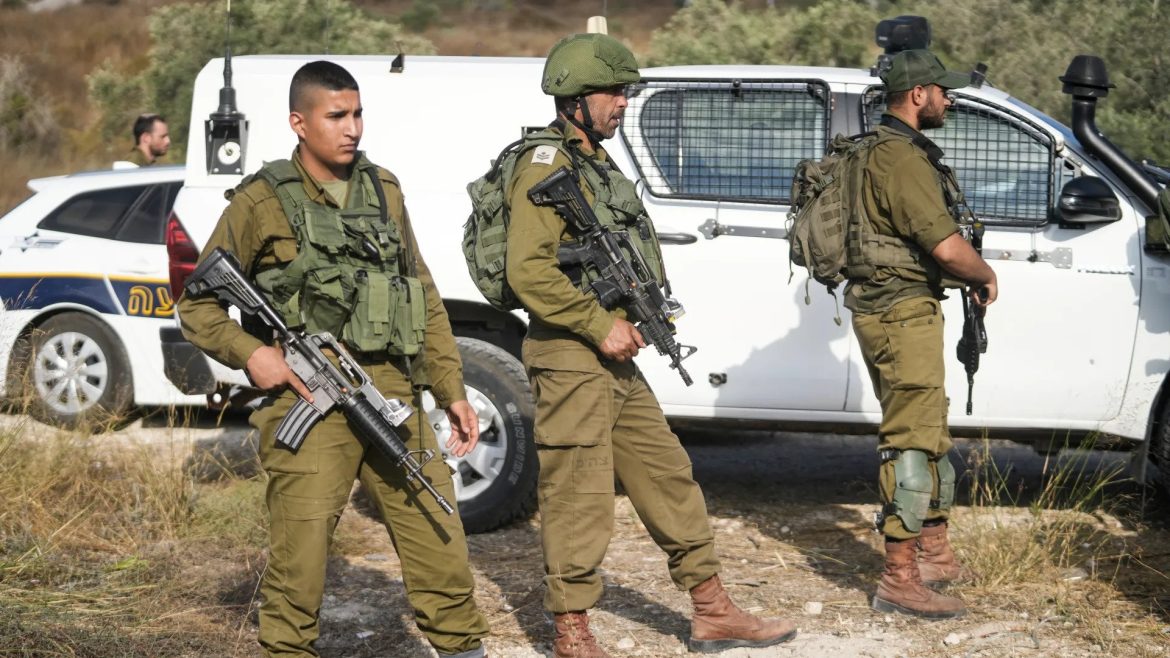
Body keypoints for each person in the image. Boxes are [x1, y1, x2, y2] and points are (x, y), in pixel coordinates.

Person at [177, 61, 490, 658]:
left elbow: (421, 293)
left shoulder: (384, 189)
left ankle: (461, 649)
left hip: (390, 390)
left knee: (439, 537)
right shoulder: (262, 201)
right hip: (308, 393)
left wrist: (450, 388)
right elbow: (197, 305)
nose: (353, 128)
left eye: (358, 114)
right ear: (299, 123)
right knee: (301, 561)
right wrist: (253, 354)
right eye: (337, 116)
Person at [503, 33, 797, 657]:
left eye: (625, 92)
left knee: (666, 473)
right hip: (572, 352)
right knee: (579, 494)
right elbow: (529, 271)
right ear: (575, 98)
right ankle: (572, 630)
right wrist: (597, 323)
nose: (623, 103)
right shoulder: (544, 165)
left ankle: (711, 609)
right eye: (613, 92)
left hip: (612, 353)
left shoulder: (593, 163)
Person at [847, 49, 998, 619]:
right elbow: (945, 247)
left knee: (929, 425)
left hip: (899, 309)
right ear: (917, 95)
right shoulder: (900, 158)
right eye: (942, 90)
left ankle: (933, 555)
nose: (948, 100)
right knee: (910, 437)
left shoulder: (883, 149)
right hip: (899, 312)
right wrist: (984, 274)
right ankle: (899, 578)